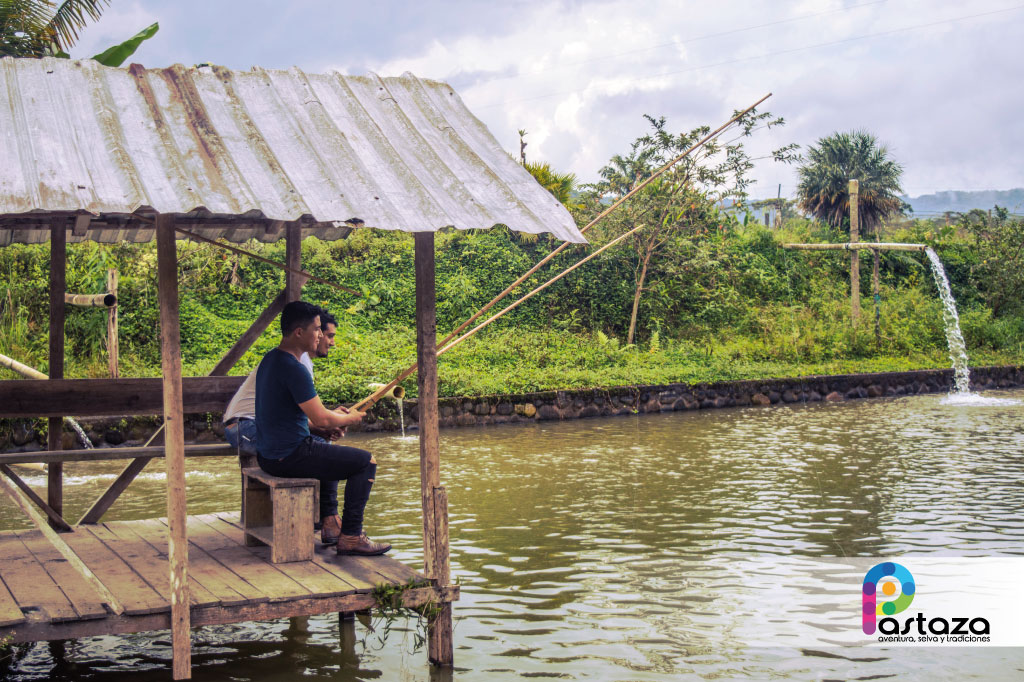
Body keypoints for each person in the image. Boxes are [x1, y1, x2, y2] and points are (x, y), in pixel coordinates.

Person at [254, 301, 391, 556]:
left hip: (269, 456)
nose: (320, 335)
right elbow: (323, 419)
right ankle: (351, 536)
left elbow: (302, 419)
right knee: (365, 462)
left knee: (326, 446)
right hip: (289, 456)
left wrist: (322, 428)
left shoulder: (272, 359)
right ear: (299, 332)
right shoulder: (294, 369)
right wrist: (350, 418)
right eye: (317, 329)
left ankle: (331, 525)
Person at [223, 306, 336, 456]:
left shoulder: (296, 359)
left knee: (320, 445)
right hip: (245, 427)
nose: (331, 342)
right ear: (304, 331)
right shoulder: (298, 362)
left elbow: (299, 418)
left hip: (251, 427)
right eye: (328, 335)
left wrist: (325, 426)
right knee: (318, 449)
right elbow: (314, 419)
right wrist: (338, 421)